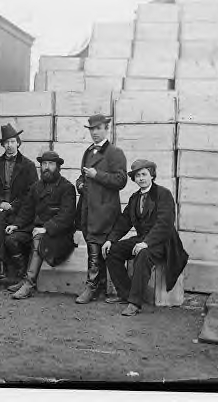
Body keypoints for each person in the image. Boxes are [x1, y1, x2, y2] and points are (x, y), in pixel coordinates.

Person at [102, 159, 189, 316]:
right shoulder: (135, 198)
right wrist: (110, 240)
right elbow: (124, 221)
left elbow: (165, 223)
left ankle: (135, 303)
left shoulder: (163, 194)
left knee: (142, 255)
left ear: (152, 176)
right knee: (112, 252)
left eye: (144, 174)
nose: (141, 178)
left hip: (163, 241)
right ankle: (126, 293)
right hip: (142, 239)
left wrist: (146, 243)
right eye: (137, 175)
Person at [6, 151, 77, 300]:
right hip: (37, 230)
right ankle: (23, 278)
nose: (46, 167)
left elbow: (66, 216)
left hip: (59, 236)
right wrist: (17, 225)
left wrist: (46, 228)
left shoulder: (67, 188)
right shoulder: (36, 187)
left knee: (38, 237)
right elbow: (27, 209)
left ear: (58, 167)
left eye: (51, 164)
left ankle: (29, 284)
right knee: (12, 239)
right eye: (44, 164)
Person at [74, 114, 127, 304]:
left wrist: (97, 175)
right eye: (92, 129)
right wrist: (80, 184)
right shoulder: (88, 152)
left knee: (96, 247)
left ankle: (92, 286)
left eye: (98, 129)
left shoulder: (114, 152)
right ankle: (101, 287)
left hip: (105, 209)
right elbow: (82, 176)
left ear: (107, 129)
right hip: (89, 208)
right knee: (92, 245)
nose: (95, 133)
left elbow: (121, 180)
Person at [0, 123, 38, 283]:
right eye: (7, 142)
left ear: (18, 142)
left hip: (19, 212)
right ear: (2, 145)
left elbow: (31, 193)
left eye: (13, 141)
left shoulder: (28, 166)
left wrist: (13, 205)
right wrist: (0, 203)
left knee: (1, 227)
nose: (10, 145)